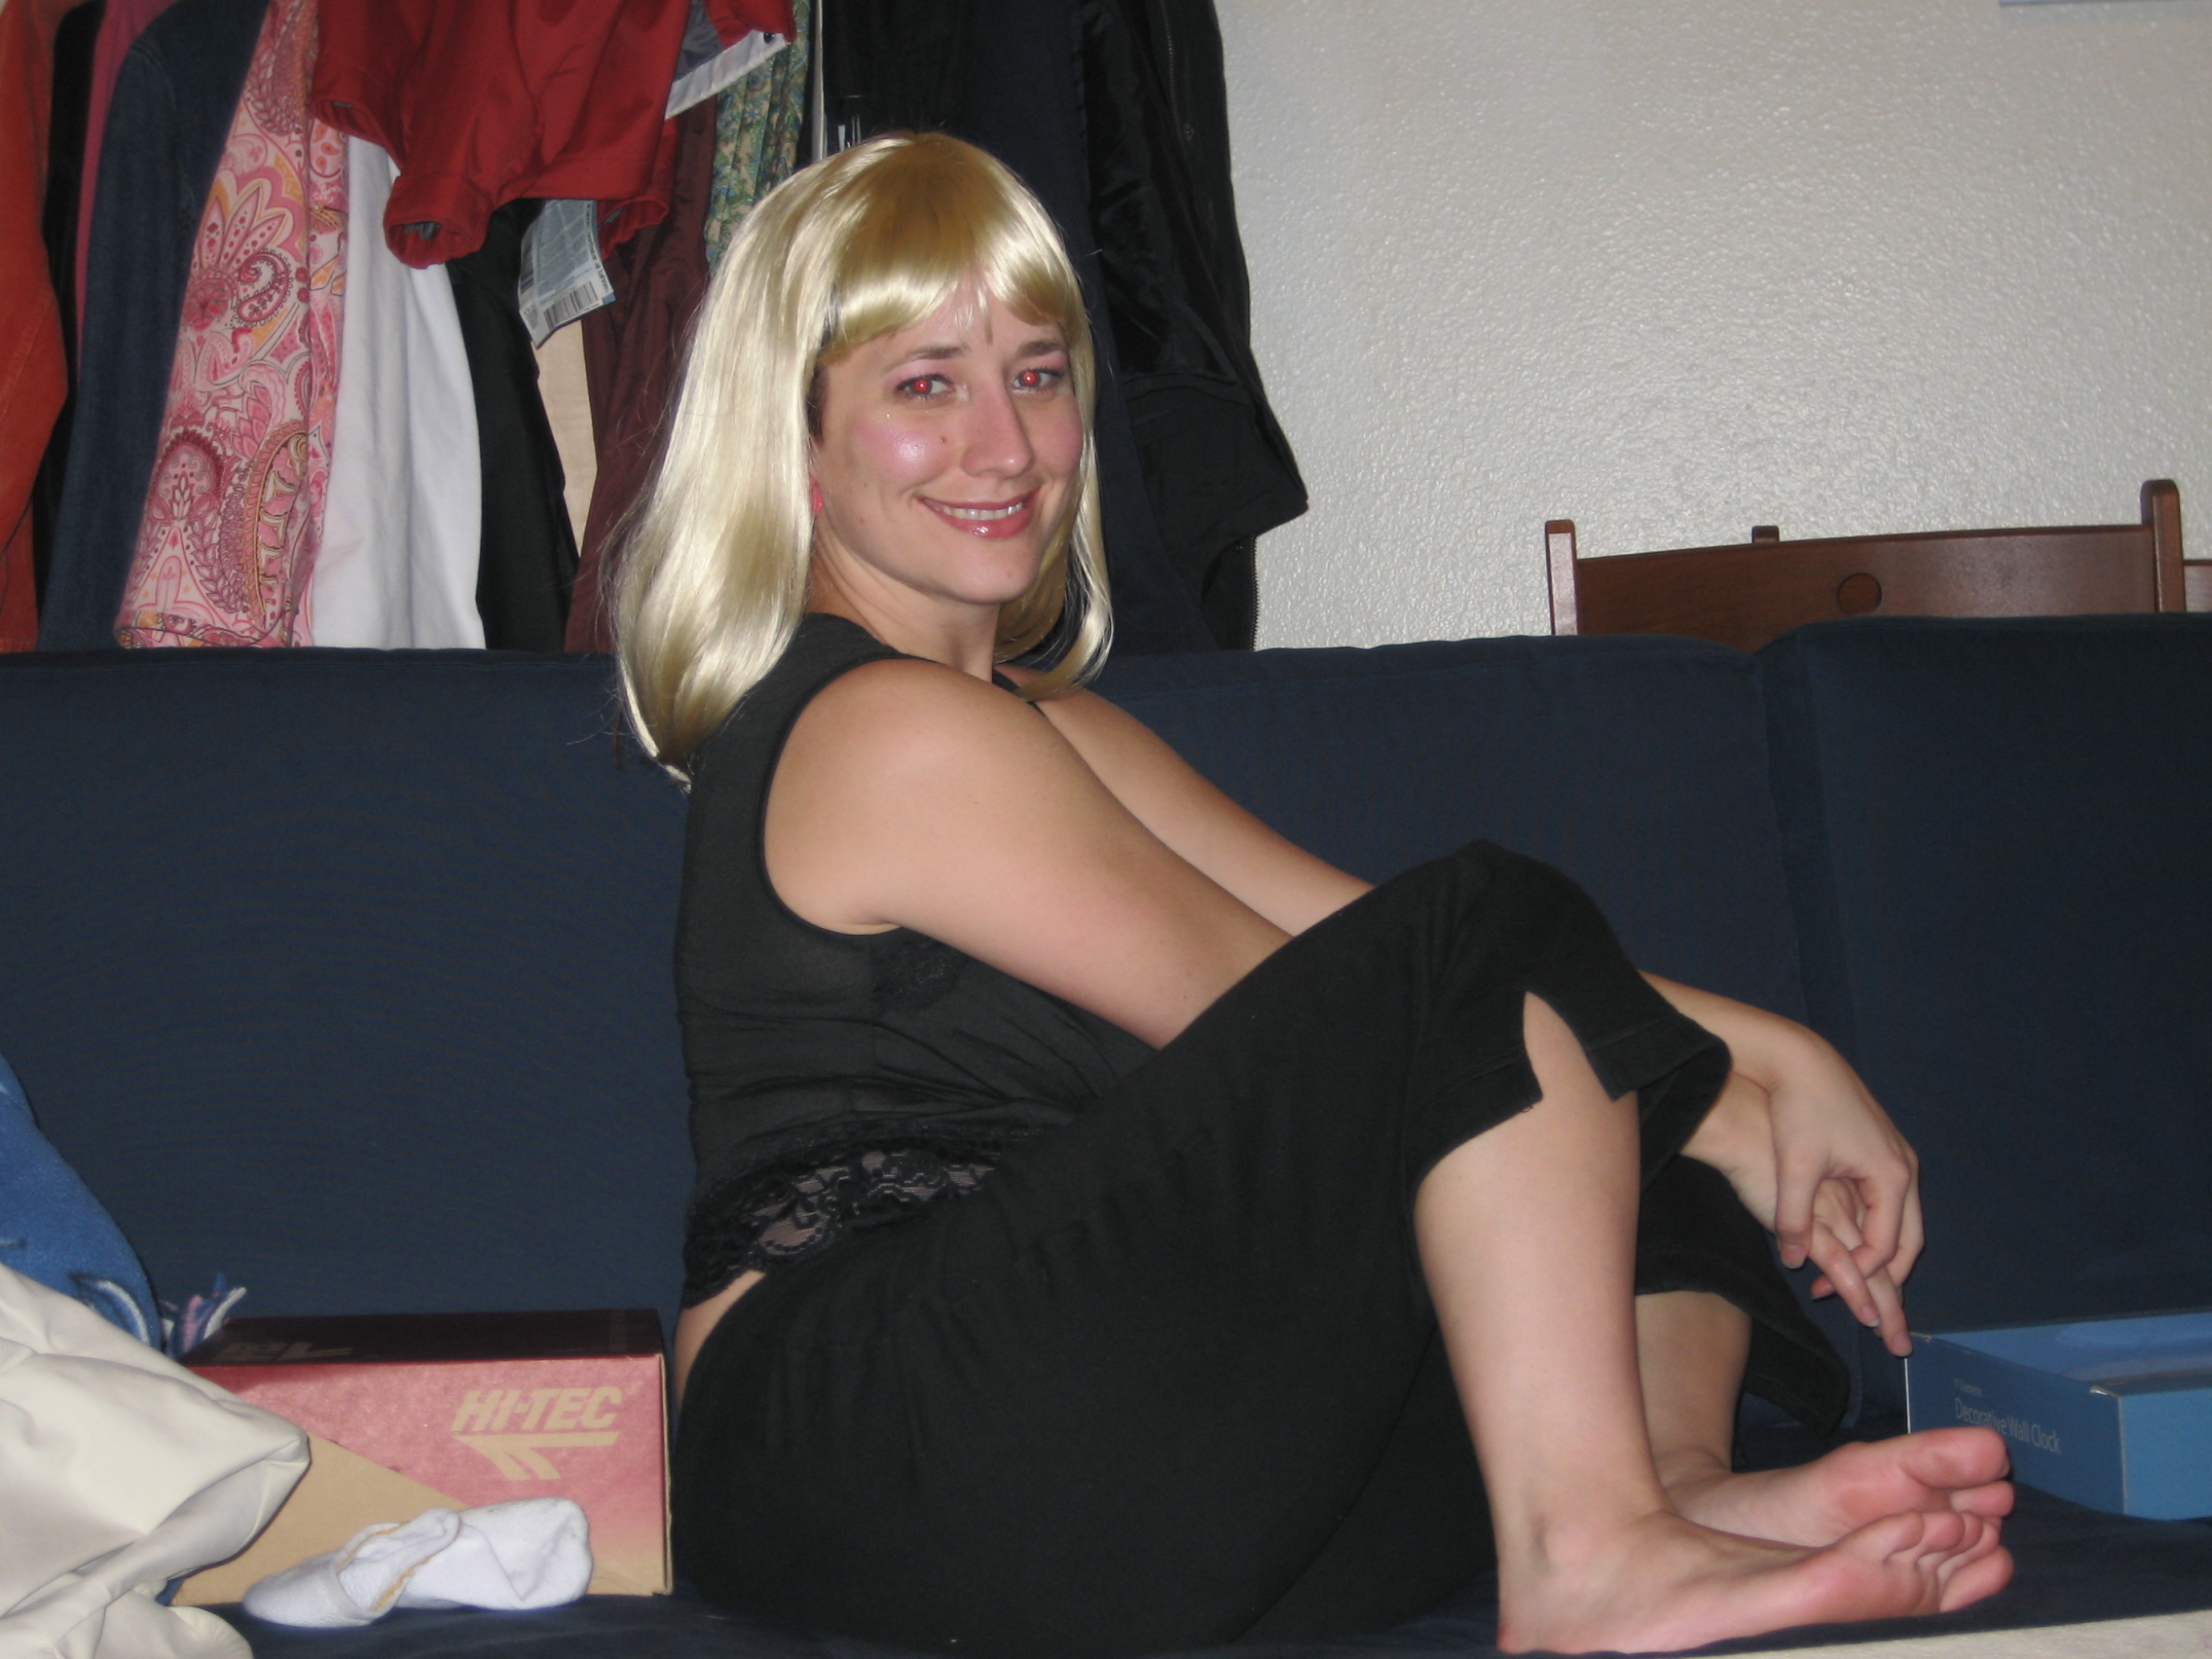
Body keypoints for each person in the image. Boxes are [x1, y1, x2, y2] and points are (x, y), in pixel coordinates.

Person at [616, 132, 2014, 1658]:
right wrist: (1715, 1094)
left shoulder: (1054, 727)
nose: (1007, 445)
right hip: (872, 1445)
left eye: (1038, 373)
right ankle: (1593, 1549)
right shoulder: (881, 730)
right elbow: (1346, 1000)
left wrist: (1772, 1060)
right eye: (926, 383)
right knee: (1510, 968)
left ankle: (1662, 1495)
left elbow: (1360, 946)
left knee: (1575, 1087)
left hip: (1108, 1453)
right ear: (798, 443)